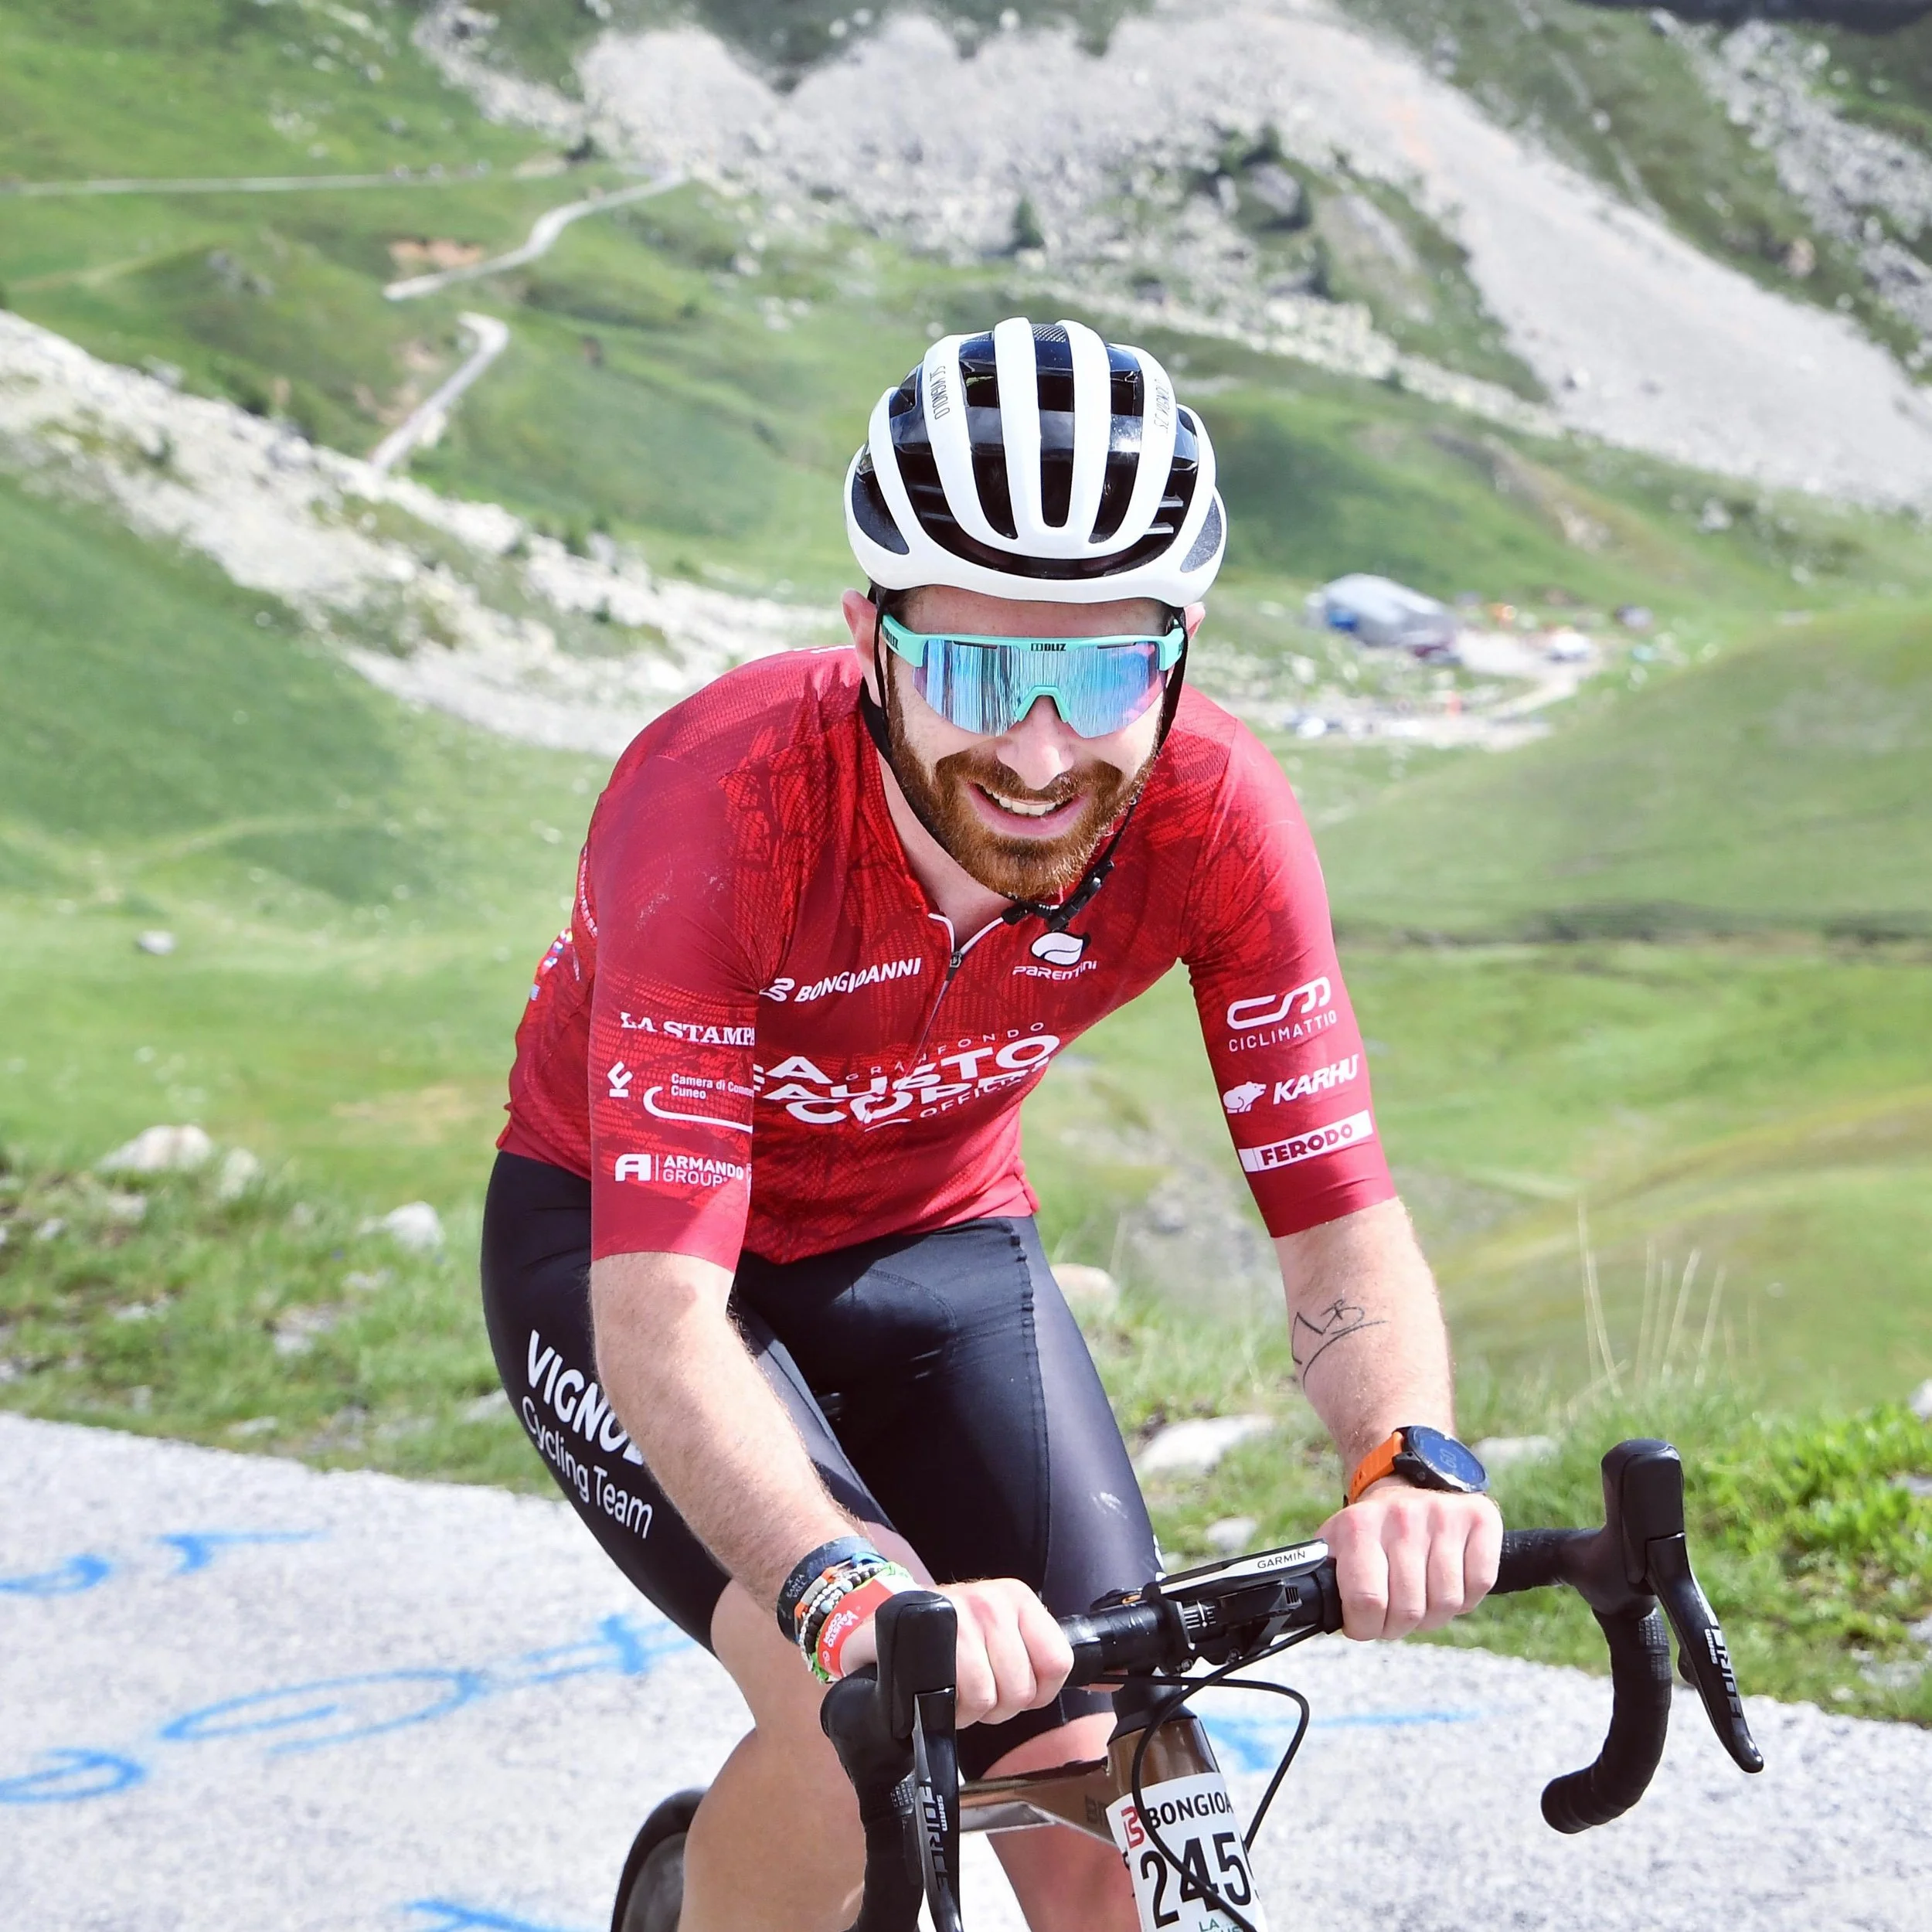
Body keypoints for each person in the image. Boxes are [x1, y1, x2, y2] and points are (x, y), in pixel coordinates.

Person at [481, 316, 1502, 1932]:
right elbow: (662, 1314)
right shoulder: (714, 804)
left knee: (1132, 1767)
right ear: (868, 639)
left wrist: (1409, 1453)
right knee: (863, 1723)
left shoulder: (1217, 812)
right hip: (640, 1257)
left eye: (1100, 672)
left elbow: (1329, 1213)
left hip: (940, 1244)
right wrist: (837, 1584)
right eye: (976, 671)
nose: (1037, 751)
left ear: (1174, 652)